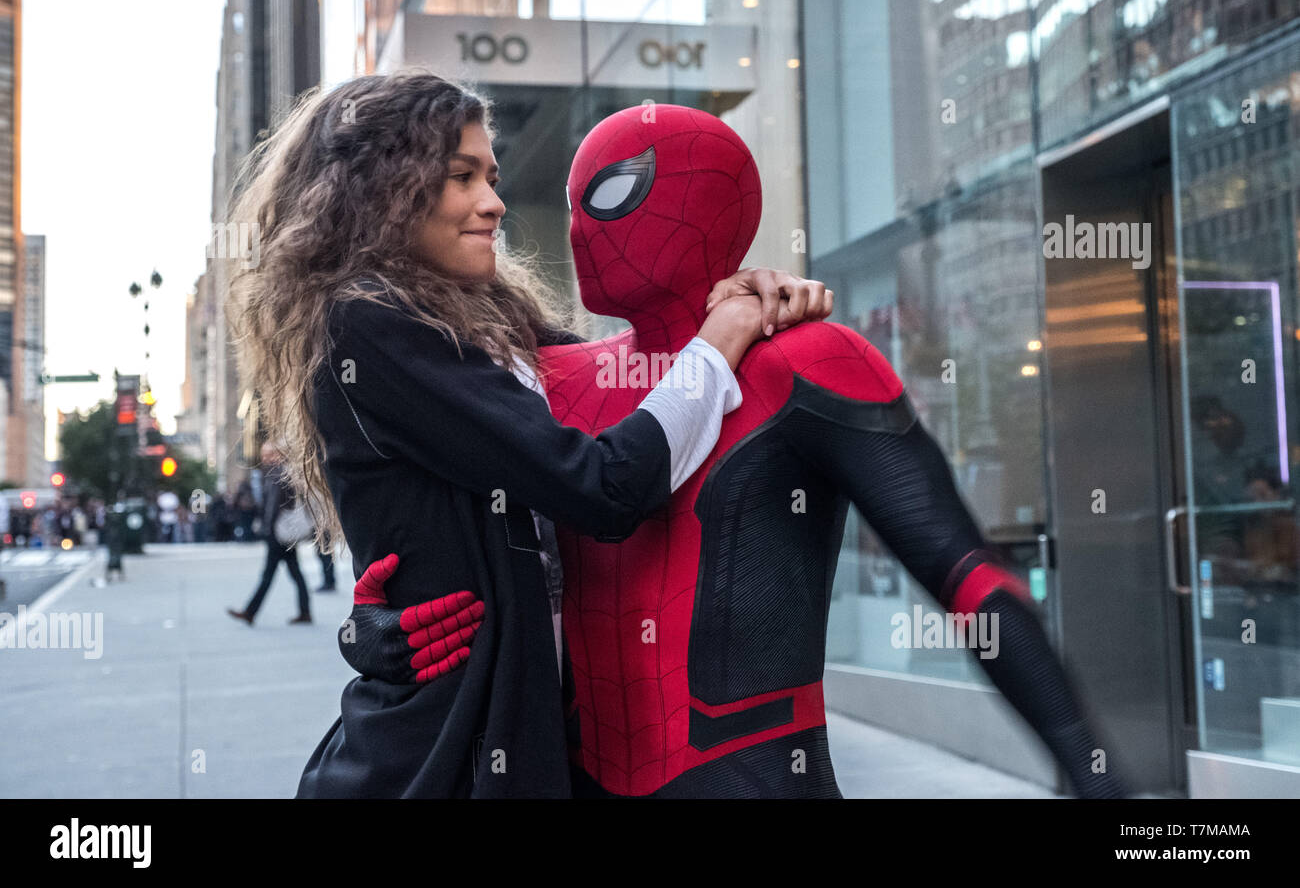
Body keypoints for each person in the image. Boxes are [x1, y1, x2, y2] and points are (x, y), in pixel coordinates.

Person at [347, 105, 1128, 798]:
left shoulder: (804, 361)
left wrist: (1098, 774)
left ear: (713, 201)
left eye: (612, 192)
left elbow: (965, 576)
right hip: (570, 772)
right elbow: (424, 516)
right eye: (572, 201)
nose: (581, 225)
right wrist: (373, 631)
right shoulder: (538, 375)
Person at [224, 70, 829, 797]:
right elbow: (603, 482)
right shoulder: (372, 323)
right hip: (445, 757)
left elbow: (635, 394)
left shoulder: (488, 314)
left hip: (544, 732)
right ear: (383, 191)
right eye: (461, 177)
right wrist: (720, 338)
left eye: (493, 176)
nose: (494, 202)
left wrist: (742, 303)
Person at [226, 441, 312, 626]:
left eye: (269, 454)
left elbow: (273, 505)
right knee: (294, 573)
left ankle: (250, 612)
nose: (265, 458)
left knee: (269, 575)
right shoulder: (282, 473)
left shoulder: (276, 474)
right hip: (283, 532)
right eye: (264, 454)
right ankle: (304, 611)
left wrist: (267, 528)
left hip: (277, 533)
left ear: (279, 455)